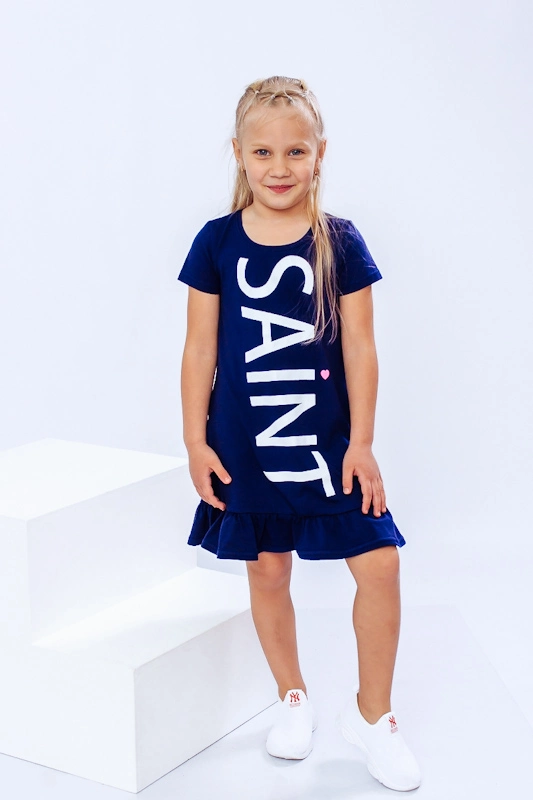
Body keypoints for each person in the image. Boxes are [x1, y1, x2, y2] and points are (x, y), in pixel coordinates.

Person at [178, 75, 422, 792]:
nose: (278, 167)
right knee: (267, 568)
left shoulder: (337, 241)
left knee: (379, 564)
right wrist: (194, 441)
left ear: (320, 154)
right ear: (237, 153)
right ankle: (292, 697)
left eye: (295, 151)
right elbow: (198, 349)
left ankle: (373, 716)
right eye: (263, 152)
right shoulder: (216, 242)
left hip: (327, 447)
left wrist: (362, 442)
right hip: (245, 444)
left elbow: (361, 348)